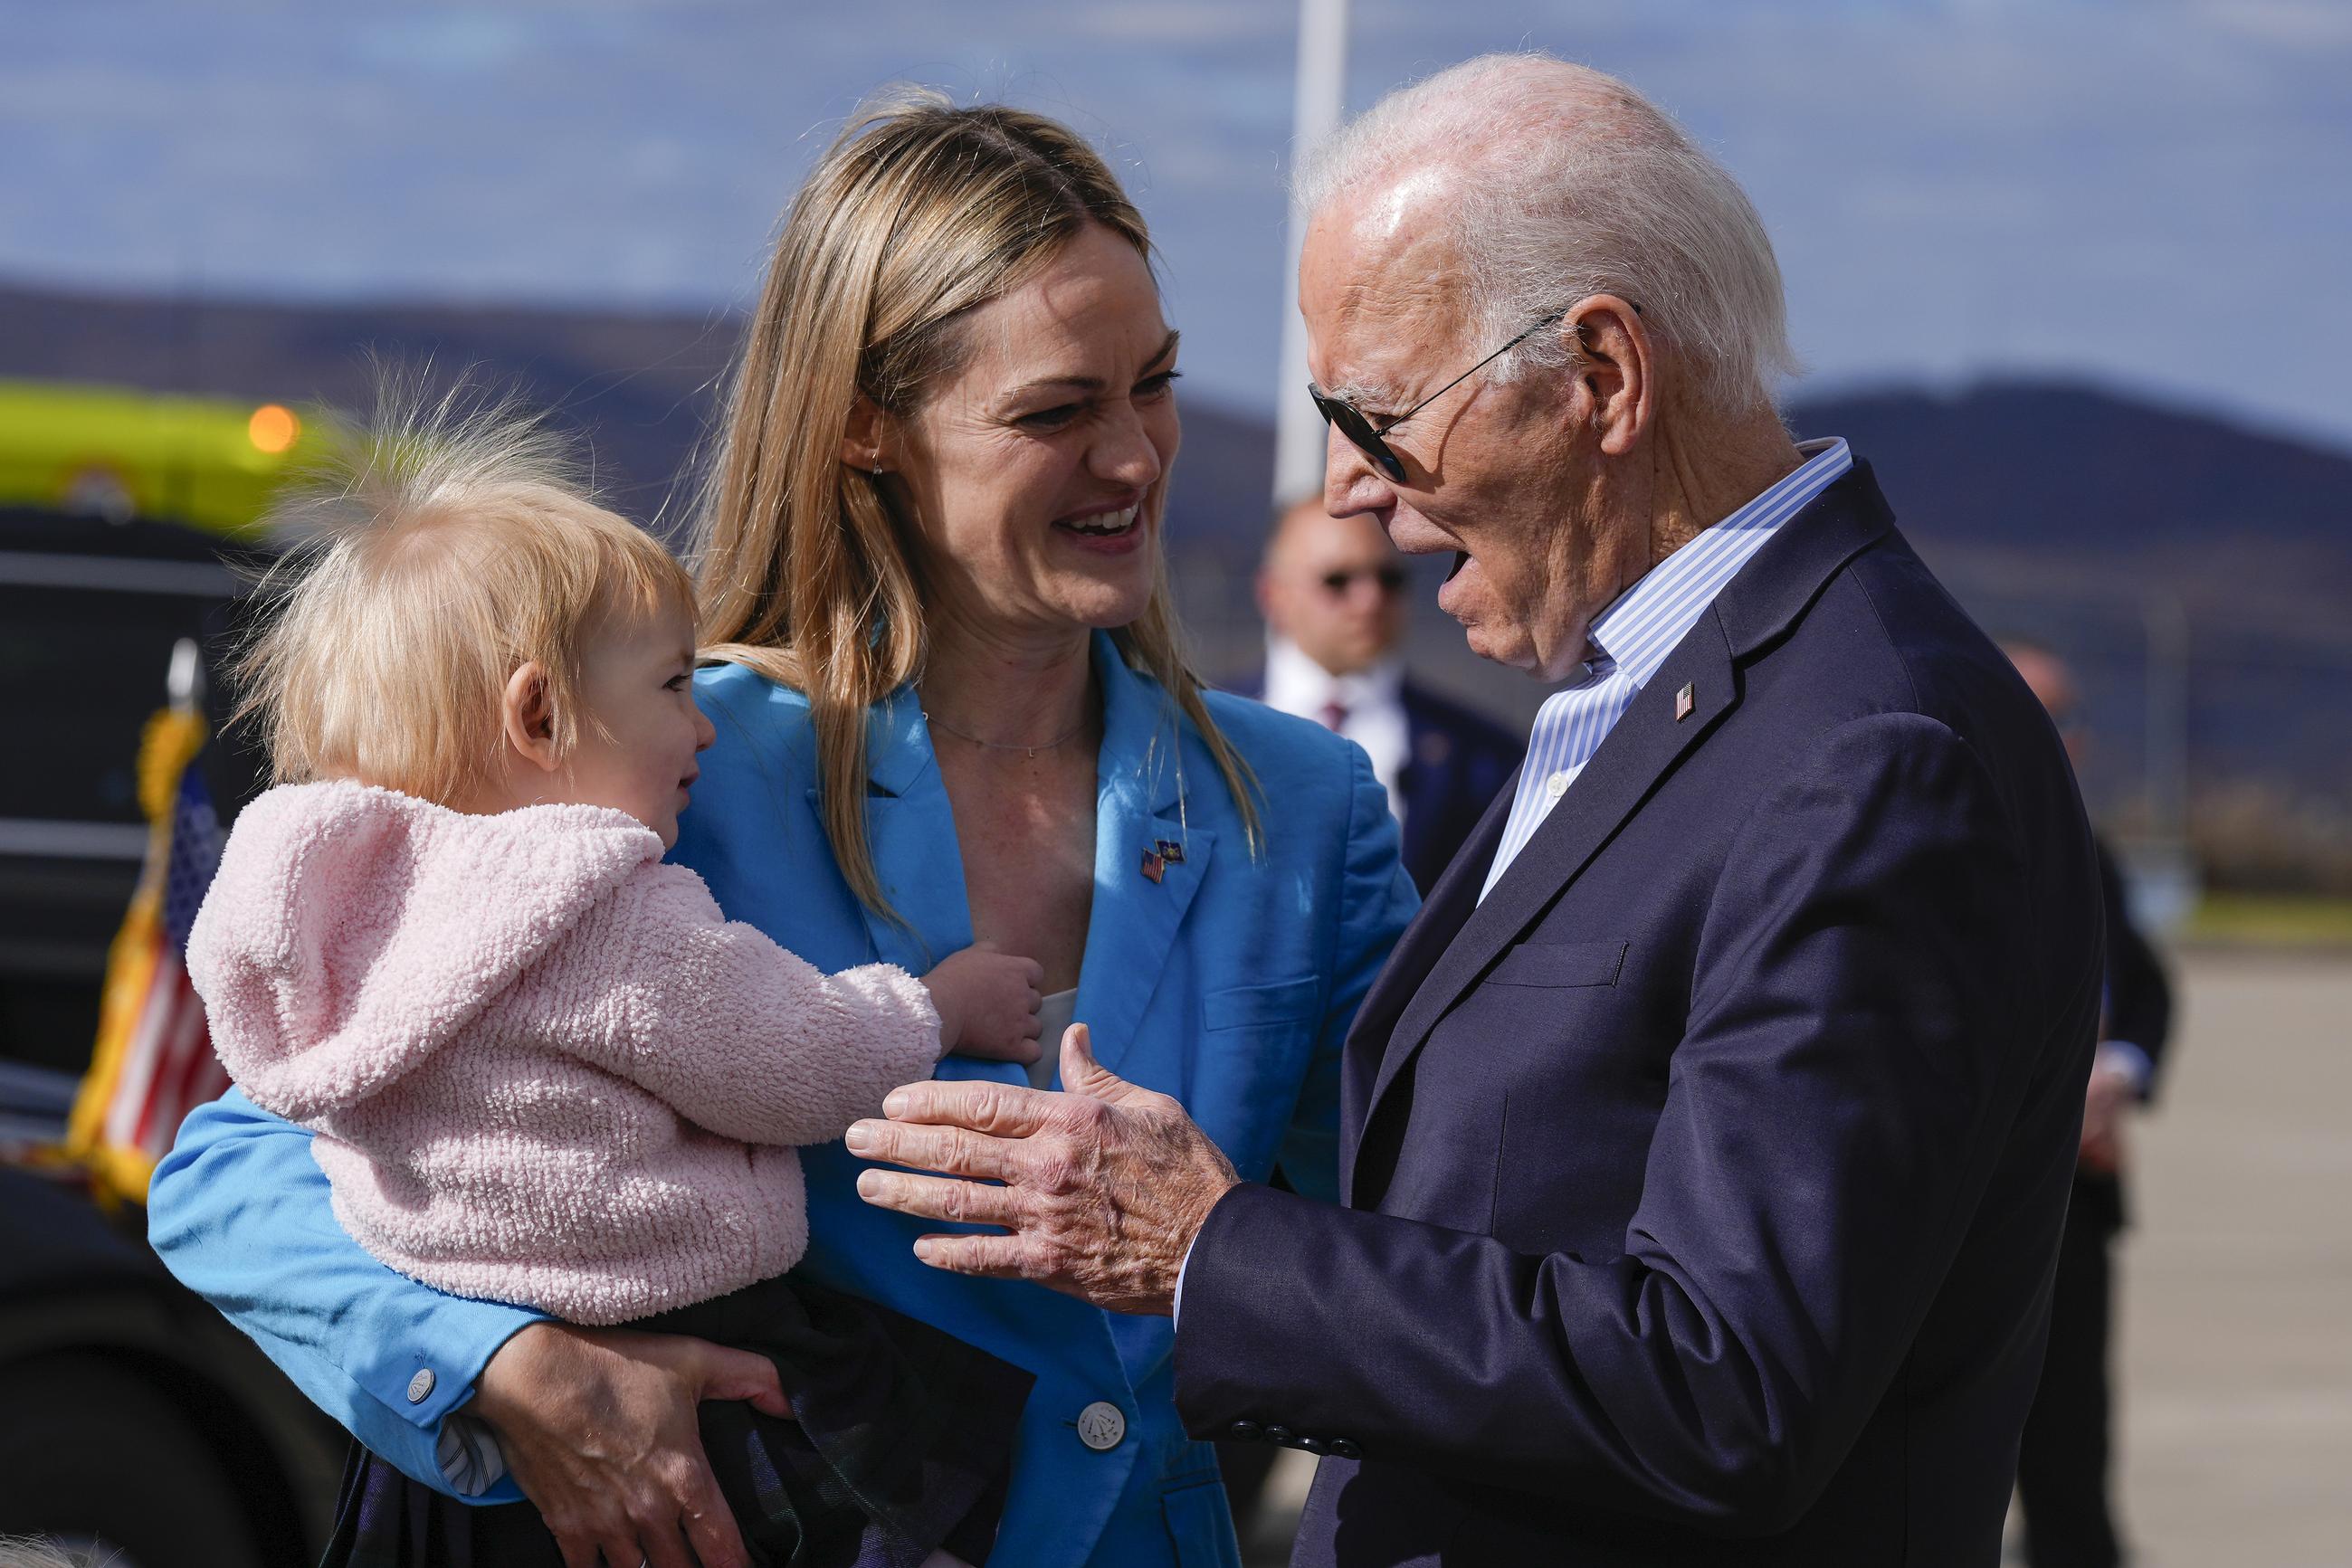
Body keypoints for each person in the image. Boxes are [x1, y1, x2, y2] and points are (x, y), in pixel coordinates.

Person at [849, 54, 2106, 1566]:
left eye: (1378, 413)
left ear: (1600, 380)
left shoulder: (1870, 750)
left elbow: (1724, 1386)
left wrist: (1205, 1246)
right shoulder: (1653, 689)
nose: (1348, 488)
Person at [147, 94, 1418, 1568]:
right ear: (865, 425)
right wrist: (505, 1365)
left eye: (1156, 384)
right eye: (1056, 410)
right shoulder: (674, 769)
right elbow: (235, 1169)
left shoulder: (1303, 803)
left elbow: (1394, 1251)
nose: (1134, 457)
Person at [188, 398, 1040, 1567]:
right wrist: (933, 1005)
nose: (701, 727)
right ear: (537, 712)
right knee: (929, 1449)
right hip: (692, 1361)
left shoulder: (339, 918)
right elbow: (786, 1065)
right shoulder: (602, 915)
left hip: (448, 1456)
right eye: (673, 686)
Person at [2005, 641, 2176, 1568]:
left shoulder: (2090, 851)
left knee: (2070, 1448)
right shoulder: (1931, 836)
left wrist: (2117, 1068)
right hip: (1963, 1208)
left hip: (2075, 1207)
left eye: (2063, 720)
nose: (2051, 739)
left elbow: (2146, 987)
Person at [1245, 496, 1522, 893]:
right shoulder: (1196, 729)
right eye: (1337, 581)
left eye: (1389, 579)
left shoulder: (1484, 758)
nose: (1370, 600)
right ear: (1273, 594)